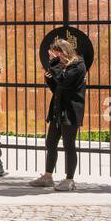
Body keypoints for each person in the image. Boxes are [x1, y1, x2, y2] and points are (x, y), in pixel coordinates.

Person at [31, 37, 87, 191]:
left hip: (70, 111)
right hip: (58, 109)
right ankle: (48, 177)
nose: (55, 58)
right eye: (54, 56)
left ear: (65, 52)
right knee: (50, 143)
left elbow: (65, 81)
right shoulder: (63, 66)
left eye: (57, 55)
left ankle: (69, 180)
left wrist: (55, 66)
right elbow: (57, 87)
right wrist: (49, 78)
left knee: (69, 145)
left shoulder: (78, 66)